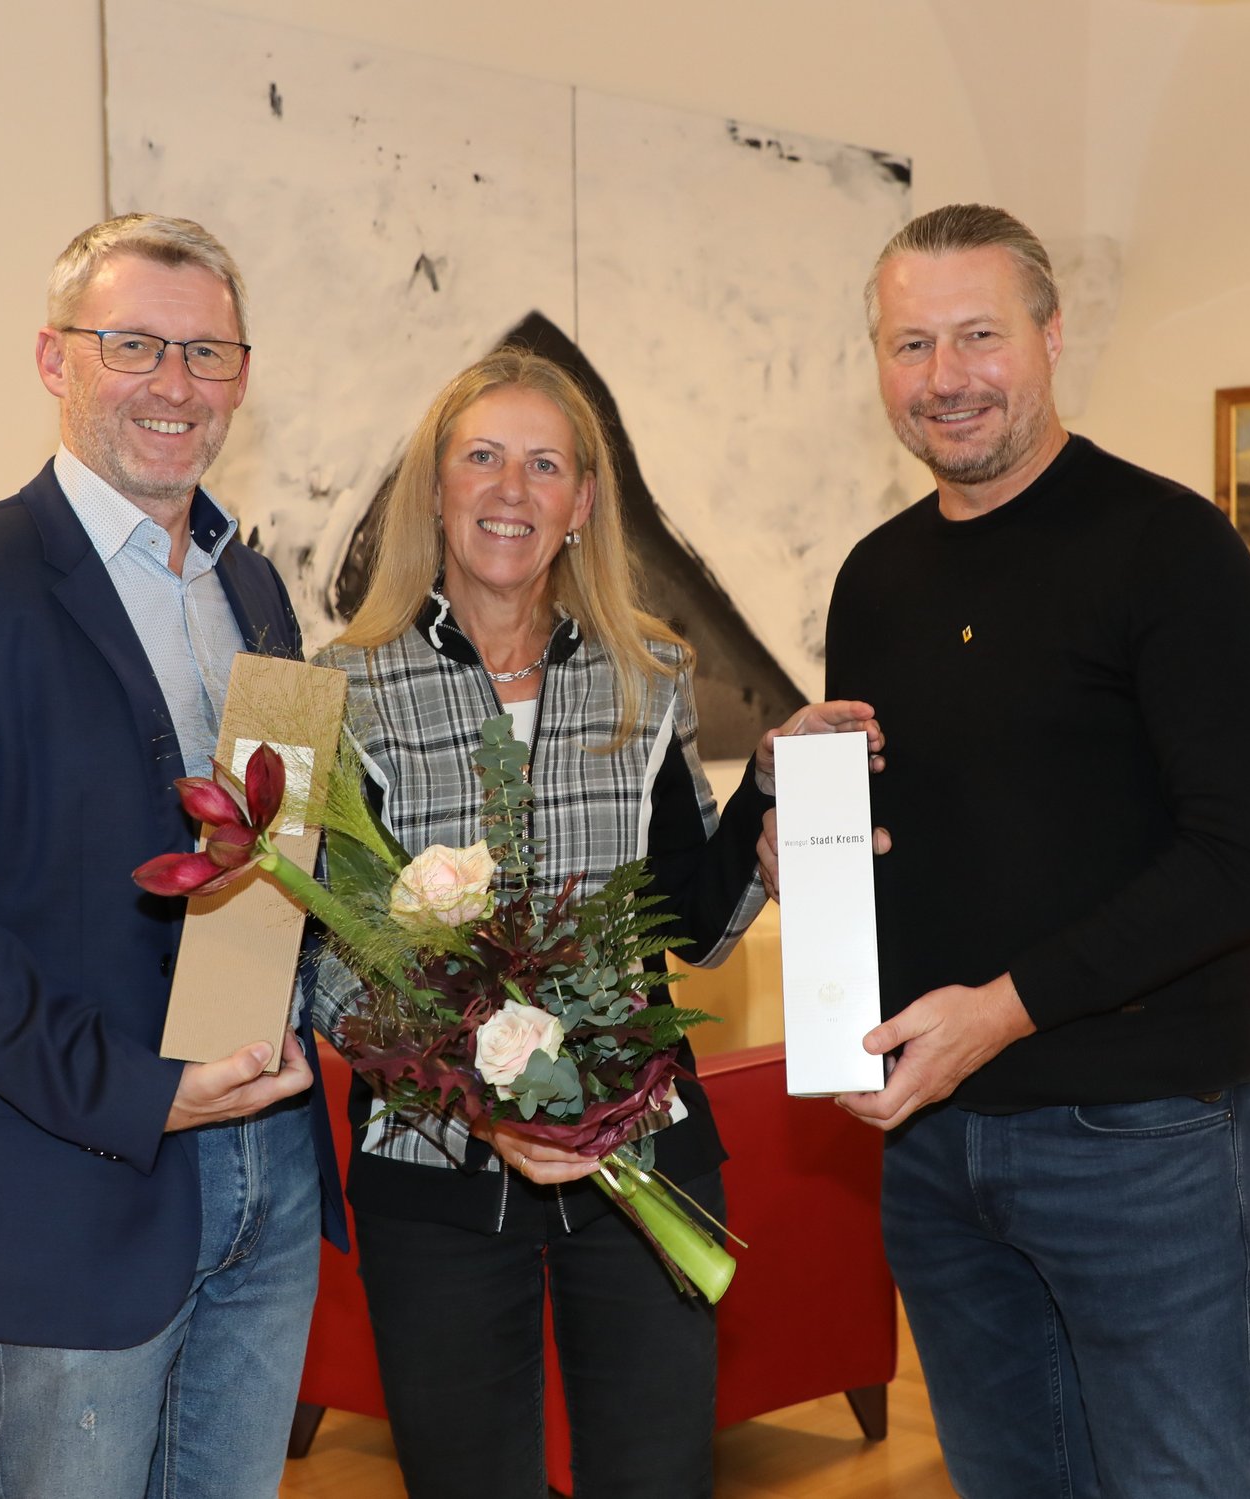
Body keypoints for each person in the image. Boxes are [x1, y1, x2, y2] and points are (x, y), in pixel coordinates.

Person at [765, 203, 1250, 1497]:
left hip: (1145, 1139)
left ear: (1050, 338)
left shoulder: (1169, 549)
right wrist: (818, 858)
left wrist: (999, 1014)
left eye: (977, 335)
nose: (945, 377)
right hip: (936, 1143)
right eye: (910, 343)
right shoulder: (874, 577)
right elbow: (936, 829)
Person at [0, 214, 344, 1499]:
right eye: (134, 345)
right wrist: (136, 1087)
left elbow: (268, 866)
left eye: (208, 353)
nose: (175, 384)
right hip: (67, 1174)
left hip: (268, 1168)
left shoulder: (258, 592)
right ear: (55, 361)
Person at [310, 346, 877, 1499]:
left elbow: (693, 920)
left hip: (640, 1147)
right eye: (480, 457)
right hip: (431, 1166)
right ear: (433, 487)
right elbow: (321, 954)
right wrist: (477, 1083)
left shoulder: (648, 672)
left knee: (658, 1475)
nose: (509, 489)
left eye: (543, 463)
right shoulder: (336, 684)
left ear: (580, 502)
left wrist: (771, 810)